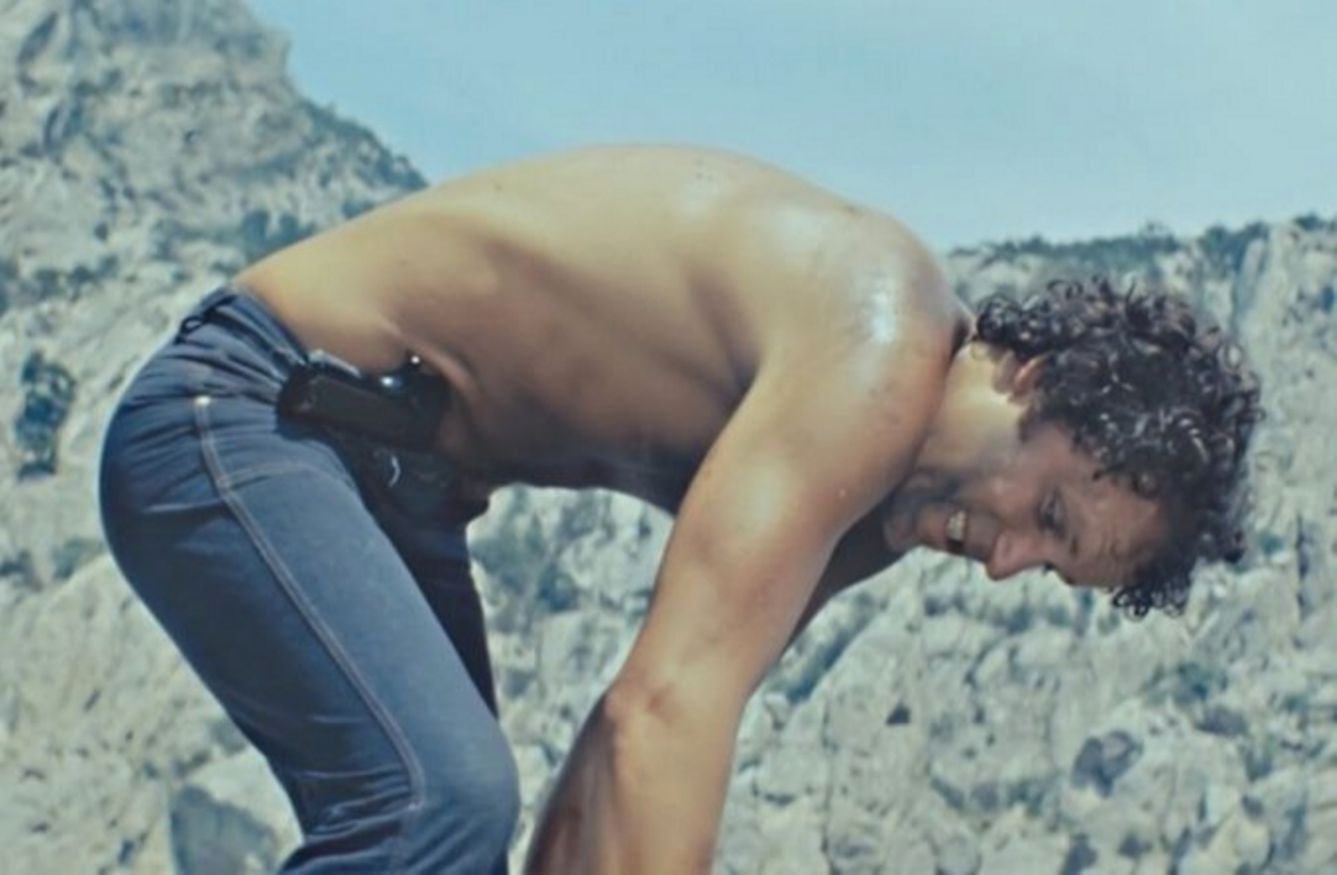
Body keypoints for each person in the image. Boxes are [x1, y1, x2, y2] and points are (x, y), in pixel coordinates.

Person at [96, 144, 1261, 874]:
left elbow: (625, 750)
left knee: (450, 829)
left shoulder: (871, 510)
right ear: (1035, 379)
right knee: (434, 802)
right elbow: (665, 712)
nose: (1006, 562)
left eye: (1050, 565)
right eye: (1047, 514)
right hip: (253, 406)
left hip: (387, 488)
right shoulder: (882, 337)